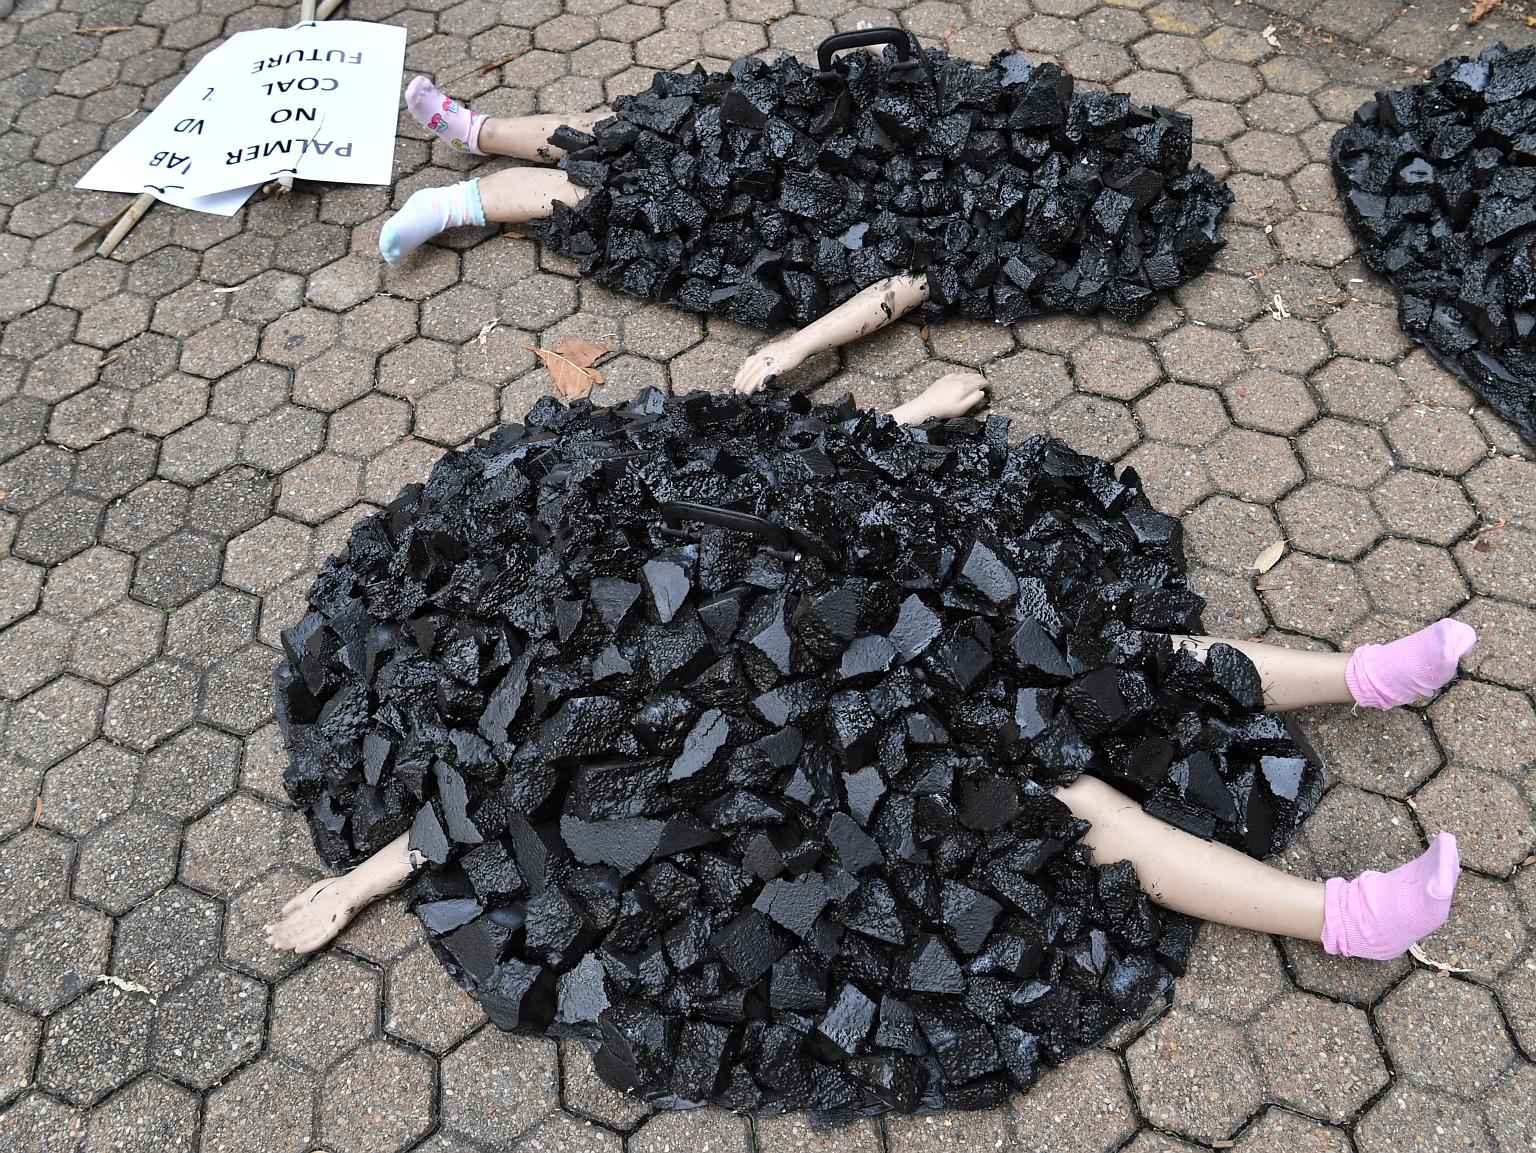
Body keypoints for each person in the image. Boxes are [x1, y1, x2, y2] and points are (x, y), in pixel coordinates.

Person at [268, 373, 1472, 964]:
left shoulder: (662, 468)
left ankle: (1364, 676)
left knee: (1119, 654)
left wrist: (907, 402)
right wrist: (359, 884)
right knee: (1081, 818)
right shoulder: (588, 635)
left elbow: (786, 430)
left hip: (924, 611)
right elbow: (512, 777)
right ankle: (1346, 918)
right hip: (833, 750)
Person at [377, 35, 1231, 394]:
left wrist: (798, 343)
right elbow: (902, 286)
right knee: (640, 133)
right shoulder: (1015, 135)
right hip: (815, 146)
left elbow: (897, 289)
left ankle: (453, 200)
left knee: (625, 192)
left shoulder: (1008, 229)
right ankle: (470, 129)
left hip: (790, 228)